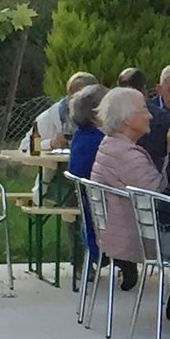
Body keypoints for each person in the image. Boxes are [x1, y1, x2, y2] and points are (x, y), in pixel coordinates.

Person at [88, 86, 170, 291]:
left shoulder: (109, 145)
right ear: (127, 119)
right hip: (138, 238)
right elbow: (161, 196)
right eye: (143, 110)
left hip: (114, 233)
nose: (150, 115)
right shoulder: (127, 156)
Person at [66, 83, 108, 272]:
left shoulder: (79, 137)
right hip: (103, 211)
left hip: (88, 210)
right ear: (95, 115)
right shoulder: (100, 142)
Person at [25, 71, 99, 150]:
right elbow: (24, 147)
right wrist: (51, 143)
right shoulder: (48, 118)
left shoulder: (100, 117)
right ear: (69, 95)